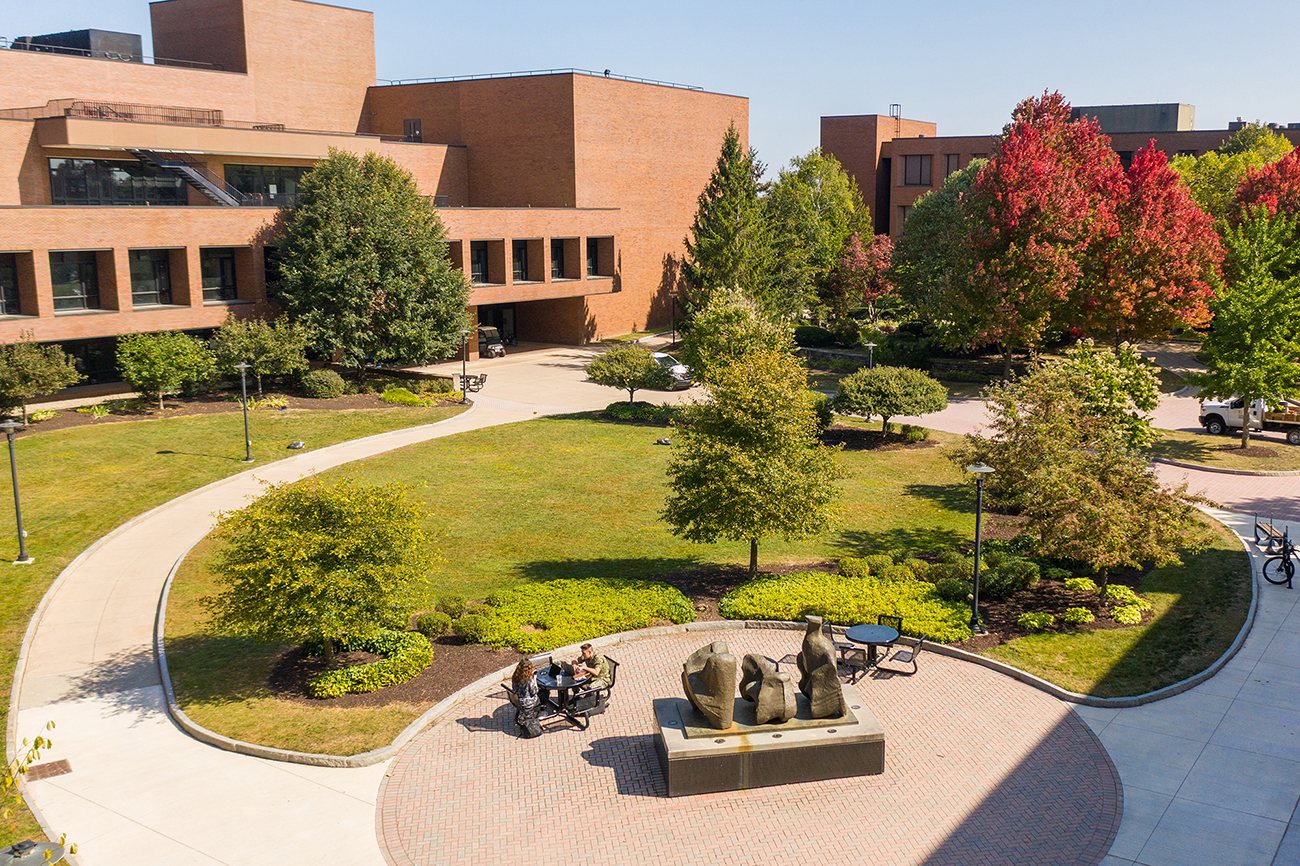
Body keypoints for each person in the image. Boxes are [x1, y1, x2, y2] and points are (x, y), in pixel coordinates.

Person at [511, 659, 543, 738]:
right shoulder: (529, 680)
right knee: (543, 693)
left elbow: (514, 689)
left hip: (519, 702)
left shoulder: (515, 677)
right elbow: (534, 691)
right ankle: (542, 712)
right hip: (529, 703)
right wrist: (534, 679)